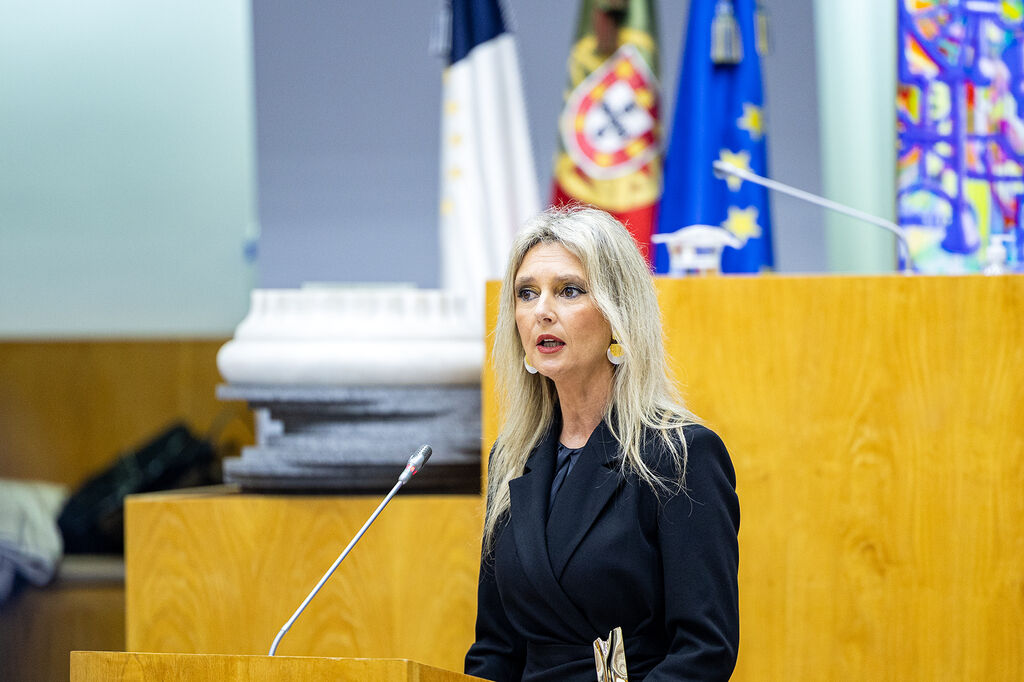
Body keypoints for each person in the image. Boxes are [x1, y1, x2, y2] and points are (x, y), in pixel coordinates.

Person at [464, 206, 739, 681]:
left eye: (569, 290)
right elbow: (495, 648)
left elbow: (704, 651)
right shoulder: (511, 459)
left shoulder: (680, 455)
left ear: (618, 314)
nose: (541, 311)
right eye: (527, 293)